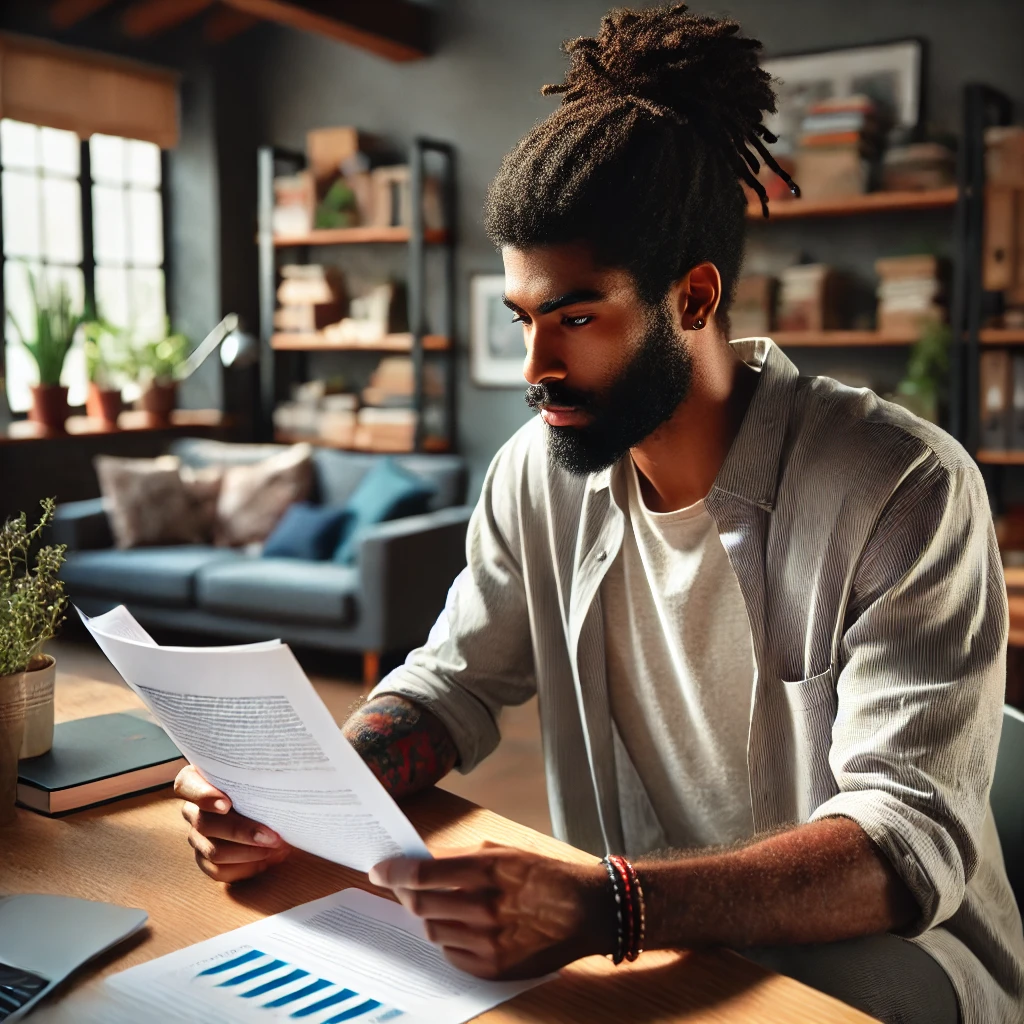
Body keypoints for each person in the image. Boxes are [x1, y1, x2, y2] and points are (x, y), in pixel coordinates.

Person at [175, 6, 1024, 1022]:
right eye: (524, 318)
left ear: (694, 298)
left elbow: (900, 847)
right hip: (642, 933)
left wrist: (610, 906)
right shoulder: (535, 472)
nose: (536, 368)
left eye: (576, 318)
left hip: (896, 962)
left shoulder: (903, 488)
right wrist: (301, 798)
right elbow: (452, 683)